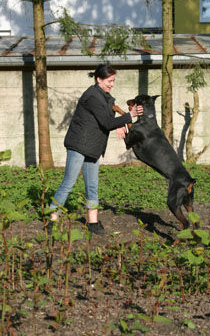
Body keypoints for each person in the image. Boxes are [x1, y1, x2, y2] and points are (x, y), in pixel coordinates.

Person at [49, 64, 143, 235]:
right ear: (99, 79)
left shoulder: (104, 96)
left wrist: (119, 124)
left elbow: (109, 112)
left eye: (114, 80)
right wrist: (130, 116)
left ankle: (92, 222)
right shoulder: (92, 96)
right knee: (68, 183)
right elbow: (106, 122)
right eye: (109, 80)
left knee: (92, 186)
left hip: (92, 147)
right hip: (79, 145)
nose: (112, 84)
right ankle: (51, 219)